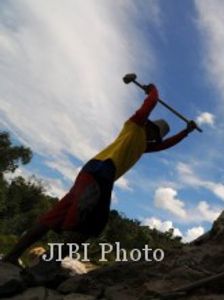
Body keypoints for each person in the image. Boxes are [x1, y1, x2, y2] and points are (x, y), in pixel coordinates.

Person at [1, 84, 197, 267]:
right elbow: (151, 103)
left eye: (155, 135)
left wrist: (185, 132)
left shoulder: (142, 145)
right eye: (154, 131)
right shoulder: (134, 126)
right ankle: (44, 267)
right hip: (101, 173)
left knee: (55, 217)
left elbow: (165, 145)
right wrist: (152, 89)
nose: (153, 135)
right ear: (149, 127)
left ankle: (13, 257)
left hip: (92, 173)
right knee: (88, 225)